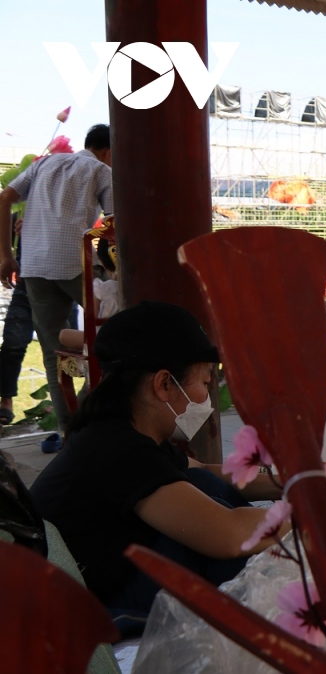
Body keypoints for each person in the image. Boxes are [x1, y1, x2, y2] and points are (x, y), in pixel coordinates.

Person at [29, 302, 285, 628]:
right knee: (210, 544)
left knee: (202, 486)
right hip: (84, 616)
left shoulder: (125, 434)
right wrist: (314, 518)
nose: (207, 396)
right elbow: (228, 534)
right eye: (205, 384)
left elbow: (205, 470)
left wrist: (287, 481)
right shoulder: (118, 449)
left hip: (101, 590)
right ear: (164, 384)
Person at [0, 123, 113, 431]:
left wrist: (6, 254)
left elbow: (4, 198)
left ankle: (68, 430)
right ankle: (88, 408)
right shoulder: (102, 171)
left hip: (34, 266)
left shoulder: (44, 163)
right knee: (116, 334)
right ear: (108, 152)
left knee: (54, 353)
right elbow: (115, 225)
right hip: (75, 265)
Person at [58, 238, 121, 351]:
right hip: (131, 338)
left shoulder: (101, 287)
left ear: (103, 264)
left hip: (106, 340)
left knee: (64, 335)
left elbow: (92, 322)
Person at [0, 215, 34, 426]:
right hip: (26, 279)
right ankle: (5, 400)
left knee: (61, 349)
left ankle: (68, 409)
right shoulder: (25, 192)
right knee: (13, 342)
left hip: (61, 280)